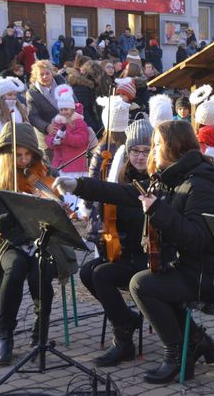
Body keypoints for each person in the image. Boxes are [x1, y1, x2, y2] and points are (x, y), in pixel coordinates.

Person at [54, 120, 214, 384]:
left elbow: (197, 238)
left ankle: (177, 355)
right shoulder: (172, 177)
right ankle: (195, 341)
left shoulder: (201, 184)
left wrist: (157, 211)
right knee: (144, 280)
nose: (152, 151)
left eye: (157, 145)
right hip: (187, 267)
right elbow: (125, 193)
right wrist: (79, 186)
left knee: (142, 284)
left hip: (209, 273)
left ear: (174, 147)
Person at [0, 123, 56, 365]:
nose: (25, 161)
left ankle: (40, 332)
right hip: (8, 243)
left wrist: (54, 203)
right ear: (6, 154)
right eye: (19, 155)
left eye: (29, 155)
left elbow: (60, 204)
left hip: (45, 241)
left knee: (40, 272)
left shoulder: (43, 170)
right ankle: (5, 336)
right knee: (14, 270)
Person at [78, 119, 152, 366]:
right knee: (87, 271)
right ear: (128, 152)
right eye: (135, 151)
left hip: (147, 255)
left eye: (146, 150)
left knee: (102, 275)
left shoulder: (157, 181)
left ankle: (123, 341)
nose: (140, 157)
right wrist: (101, 229)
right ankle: (126, 318)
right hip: (123, 251)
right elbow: (109, 219)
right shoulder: (121, 178)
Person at [26, 60, 67, 153]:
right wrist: (47, 127)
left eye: (47, 73)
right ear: (36, 76)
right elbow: (33, 116)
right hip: (48, 137)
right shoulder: (32, 93)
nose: (45, 76)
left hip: (67, 131)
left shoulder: (61, 83)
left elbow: (74, 102)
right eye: (41, 74)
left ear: (51, 73)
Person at [0, 76, 28, 150]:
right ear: (2, 95)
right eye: (9, 95)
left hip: (19, 144)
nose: (13, 97)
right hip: (0, 146)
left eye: (14, 95)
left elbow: (25, 122)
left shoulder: (19, 107)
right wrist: (13, 137)